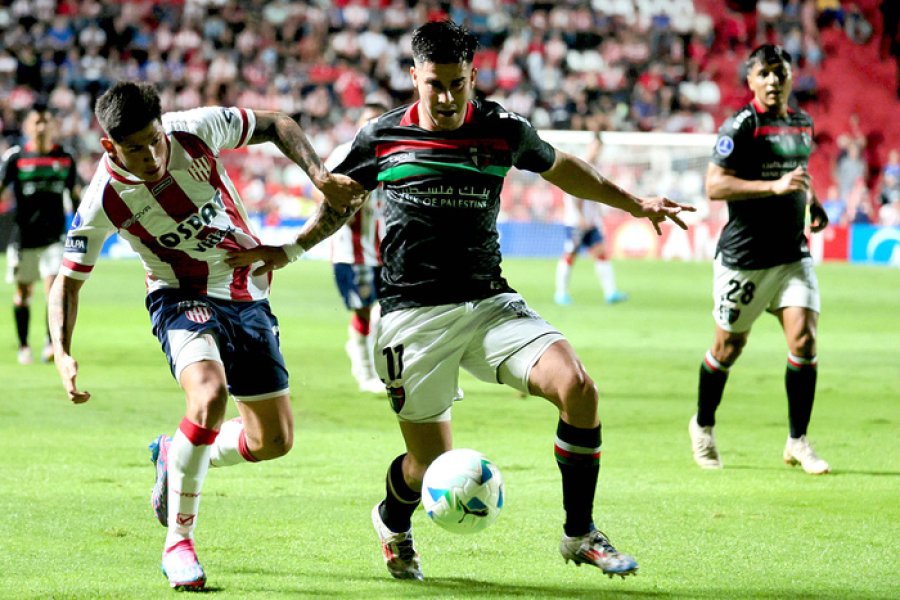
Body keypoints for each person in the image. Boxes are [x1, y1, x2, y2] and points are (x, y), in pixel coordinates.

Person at [227, 20, 694, 581]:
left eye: (457, 83)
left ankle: (579, 534)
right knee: (426, 467)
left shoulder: (502, 129)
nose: (447, 98)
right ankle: (392, 522)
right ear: (413, 77)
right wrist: (292, 249)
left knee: (578, 387)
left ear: (474, 74)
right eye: (434, 84)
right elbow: (342, 202)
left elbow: (562, 167)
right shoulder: (380, 137)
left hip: (488, 300)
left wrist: (634, 203)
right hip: (412, 316)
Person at [47, 81, 362, 590]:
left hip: (247, 290)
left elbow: (278, 123)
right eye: (134, 148)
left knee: (274, 441)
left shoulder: (194, 128)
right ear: (110, 146)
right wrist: (62, 351)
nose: (150, 154)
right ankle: (178, 542)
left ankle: (177, 452)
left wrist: (320, 175)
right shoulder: (103, 196)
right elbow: (68, 280)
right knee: (209, 395)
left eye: (153, 139)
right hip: (178, 294)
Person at [689, 45, 831, 475]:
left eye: (780, 73)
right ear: (750, 81)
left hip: (791, 253)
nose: (773, 80)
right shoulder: (741, 126)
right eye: (764, 73)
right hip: (745, 258)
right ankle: (703, 425)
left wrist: (814, 202)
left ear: (790, 78)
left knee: (804, 341)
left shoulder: (801, 123)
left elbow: (798, 172)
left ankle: (798, 442)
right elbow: (714, 186)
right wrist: (772, 188)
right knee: (727, 348)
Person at [1, 104, 81, 365]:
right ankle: (24, 345)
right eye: (37, 122)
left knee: (54, 291)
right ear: (27, 126)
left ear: (53, 126)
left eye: (46, 121)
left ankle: (51, 342)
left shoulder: (65, 158)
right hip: (23, 238)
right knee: (24, 294)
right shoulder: (16, 158)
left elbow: (76, 196)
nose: (42, 127)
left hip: (54, 237)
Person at [323, 99, 389, 394]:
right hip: (353, 252)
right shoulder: (343, 153)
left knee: (391, 311)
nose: (372, 127)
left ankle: (378, 365)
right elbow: (323, 197)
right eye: (367, 121)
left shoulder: (396, 155)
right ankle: (365, 372)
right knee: (364, 312)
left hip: (388, 251)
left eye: (378, 121)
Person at [554, 133, 628, 306]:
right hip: (576, 221)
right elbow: (574, 193)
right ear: (590, 146)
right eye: (594, 146)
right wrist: (580, 217)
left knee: (601, 252)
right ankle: (561, 293)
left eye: (599, 148)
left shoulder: (595, 167)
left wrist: (596, 214)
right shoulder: (582, 164)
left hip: (590, 221)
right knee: (571, 253)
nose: (596, 150)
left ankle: (610, 293)